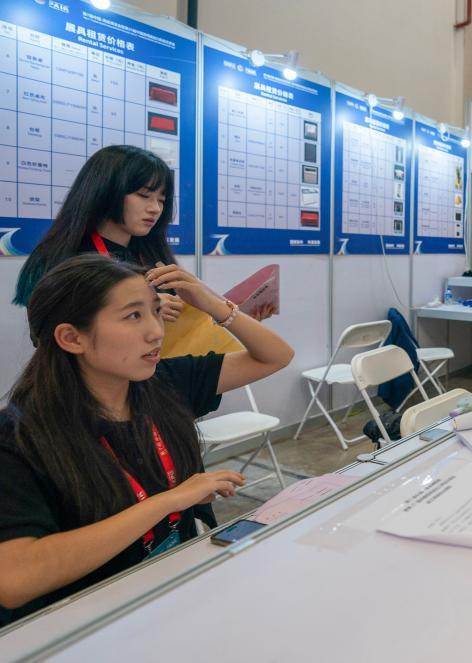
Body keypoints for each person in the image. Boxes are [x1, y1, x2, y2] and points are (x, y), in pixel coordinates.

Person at [0, 255, 294, 625]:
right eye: (133, 316)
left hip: (173, 593)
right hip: (89, 625)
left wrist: (211, 303)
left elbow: (275, 356)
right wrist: (170, 500)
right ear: (72, 338)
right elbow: (16, 579)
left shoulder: (163, 381)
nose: (156, 331)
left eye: (156, 311)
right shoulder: (19, 436)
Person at [13, 145, 184, 323]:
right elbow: (46, 330)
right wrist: (142, 309)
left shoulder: (152, 256)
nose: (155, 208)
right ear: (106, 190)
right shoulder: (60, 259)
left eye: (161, 200)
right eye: (143, 195)